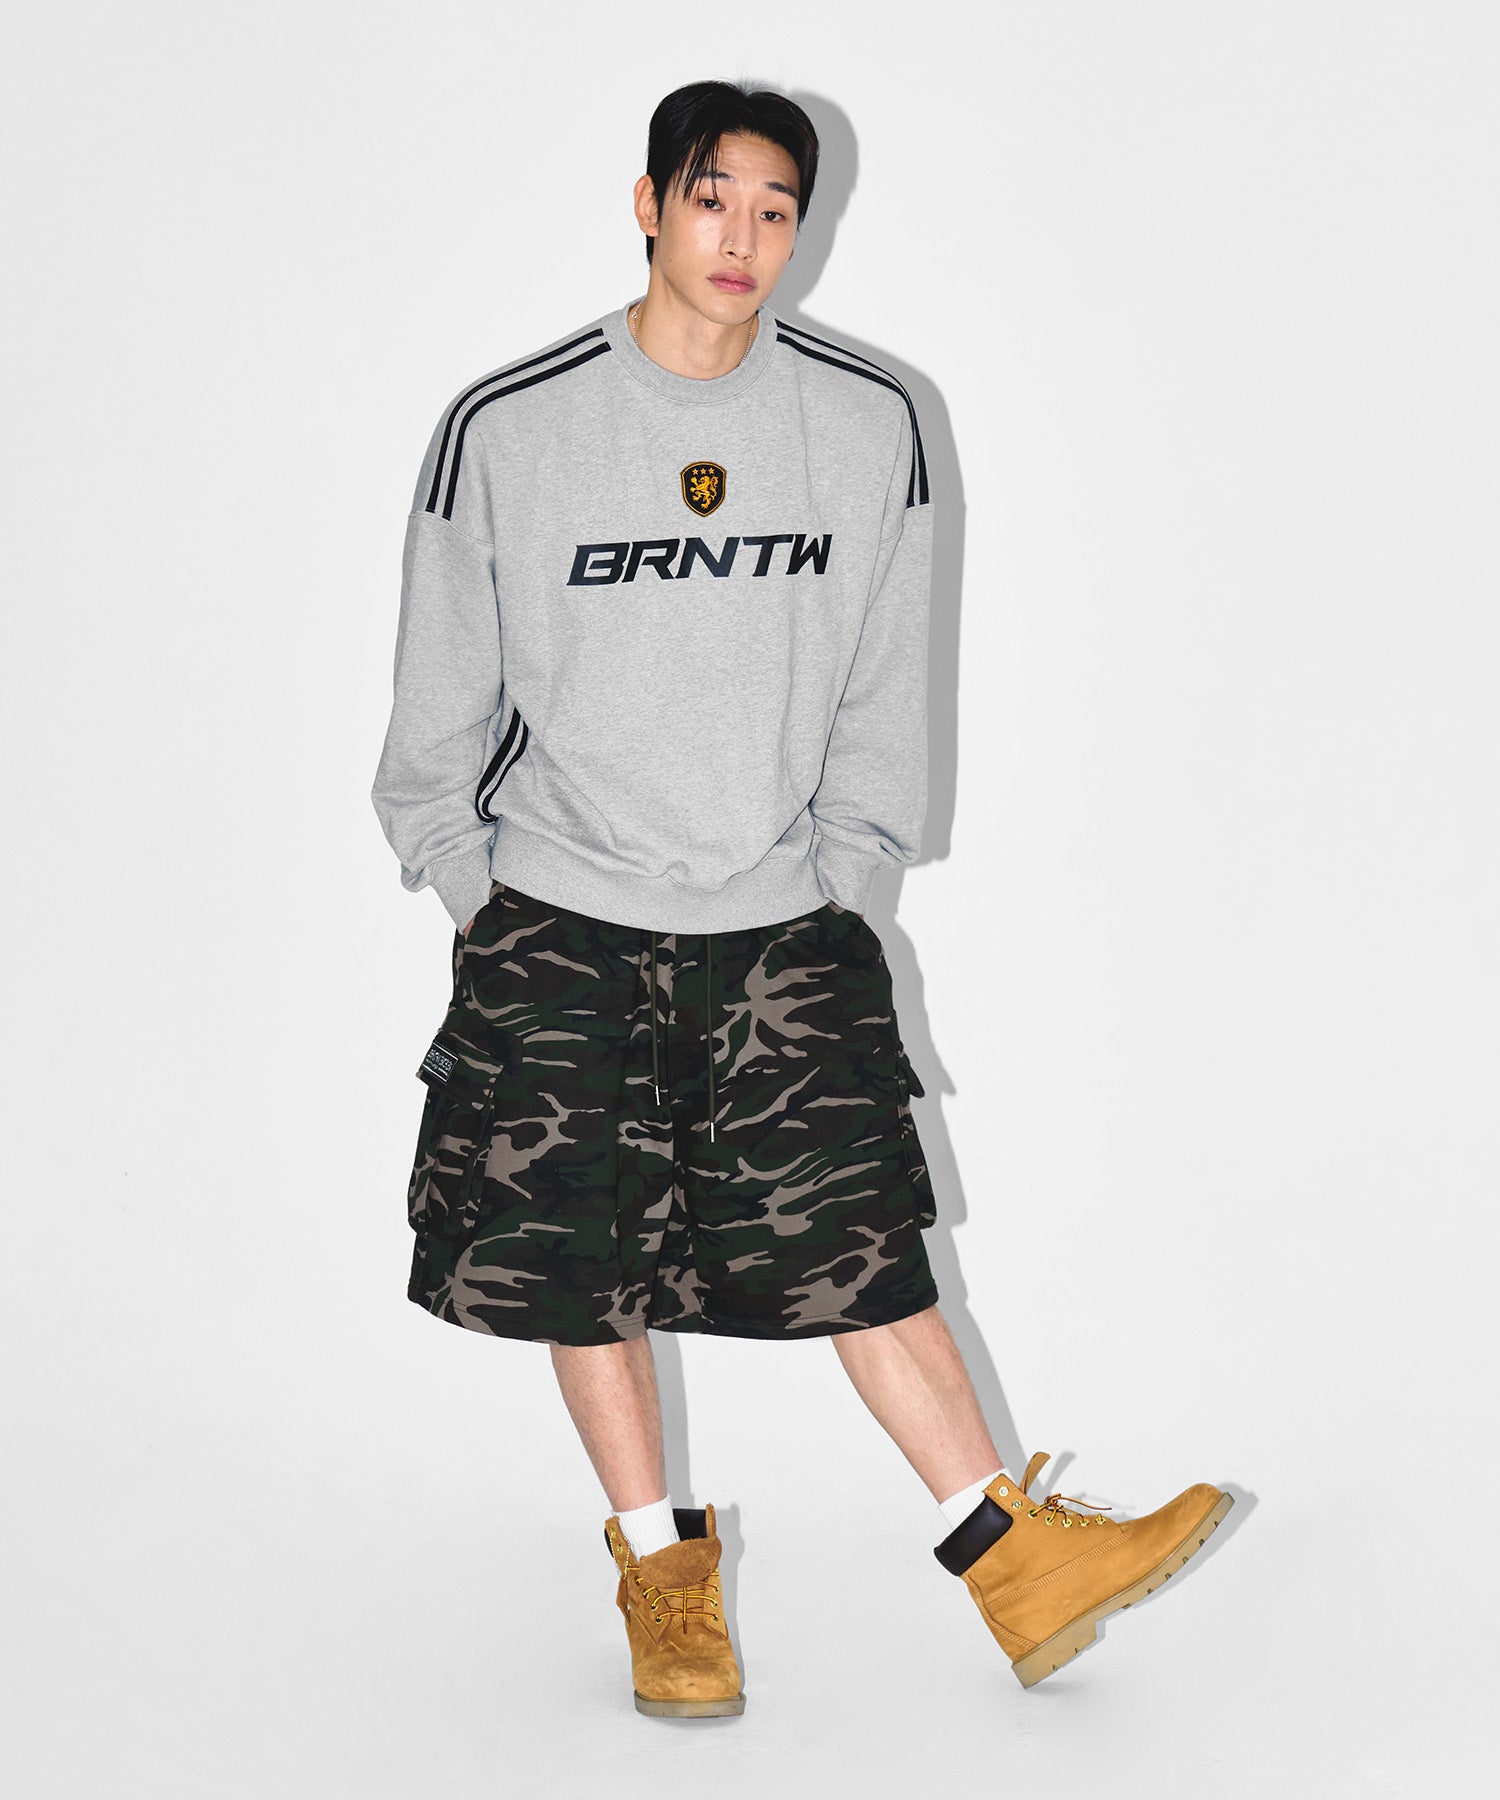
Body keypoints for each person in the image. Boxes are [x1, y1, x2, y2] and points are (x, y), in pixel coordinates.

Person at [370, 78, 1232, 1718]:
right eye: (713, 198)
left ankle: (1018, 1560)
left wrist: (845, 884)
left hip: (782, 916)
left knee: (861, 1246)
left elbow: (887, 691)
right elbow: (434, 719)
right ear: (649, 205)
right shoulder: (511, 426)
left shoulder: (870, 419)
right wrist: (489, 903)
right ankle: (662, 1578)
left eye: (777, 208)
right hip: (560, 913)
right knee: (586, 1265)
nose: (745, 236)